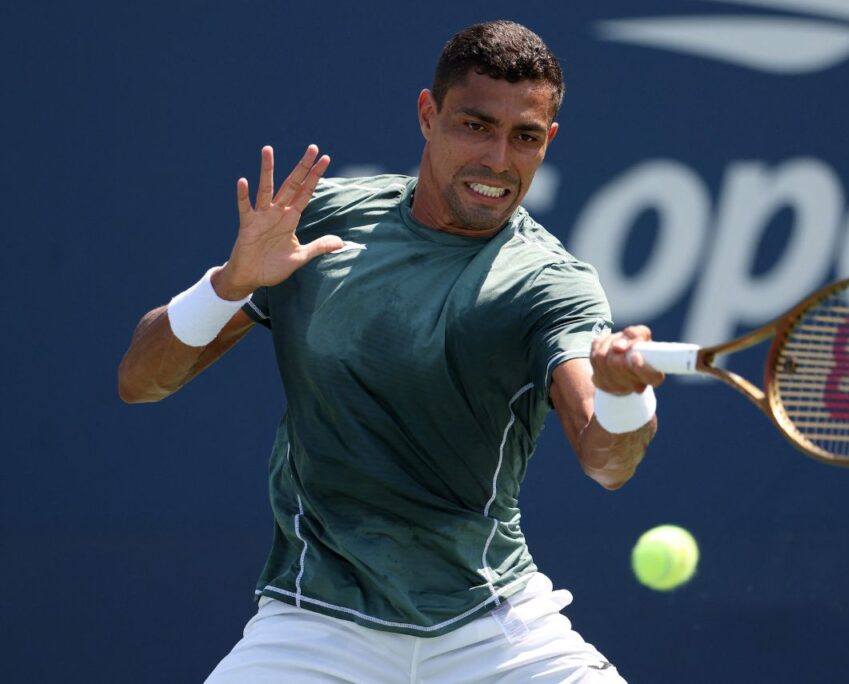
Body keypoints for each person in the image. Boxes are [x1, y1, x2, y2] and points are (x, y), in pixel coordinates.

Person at [119, 20, 663, 683]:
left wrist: (624, 396)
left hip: (493, 627)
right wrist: (230, 285)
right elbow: (140, 382)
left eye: (523, 137)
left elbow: (608, 463)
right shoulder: (316, 224)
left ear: (547, 142)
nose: (497, 159)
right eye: (475, 126)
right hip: (313, 620)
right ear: (428, 116)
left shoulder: (551, 283)